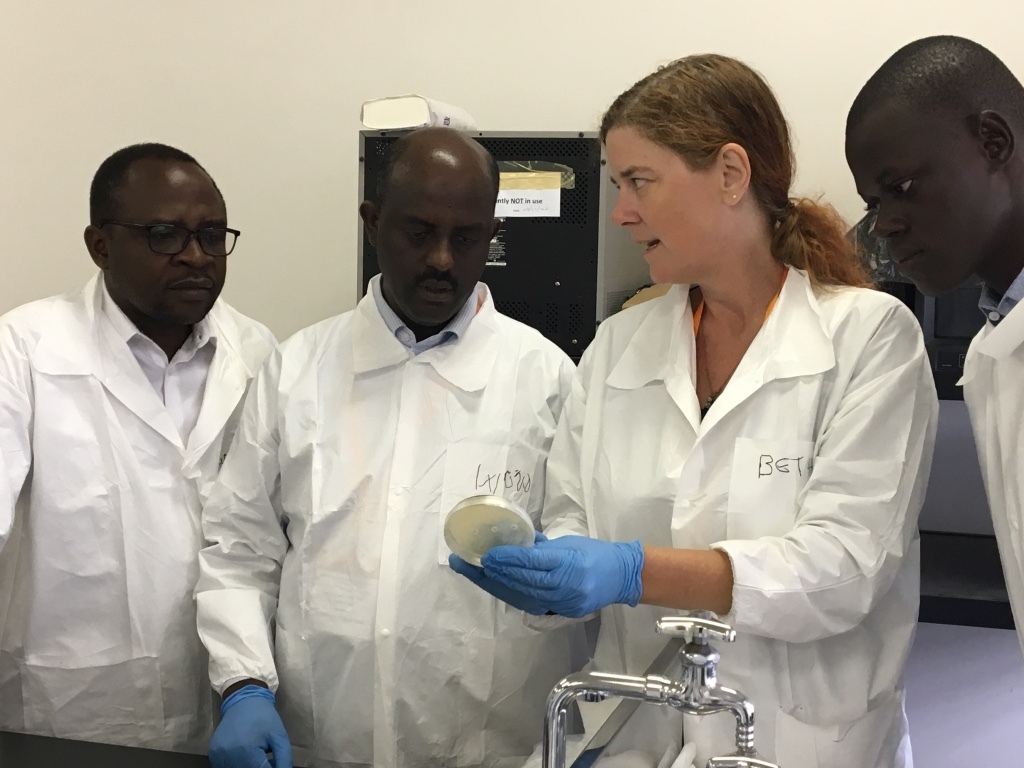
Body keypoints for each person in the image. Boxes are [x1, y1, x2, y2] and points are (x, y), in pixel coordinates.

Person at [451, 55, 939, 768]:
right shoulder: (618, 346)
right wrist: (542, 569)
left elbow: (844, 568)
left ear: (731, 174)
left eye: (639, 181)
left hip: (799, 742)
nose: (620, 211)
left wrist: (631, 570)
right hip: (634, 734)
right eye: (619, 186)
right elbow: (571, 515)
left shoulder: (869, 338)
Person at [196, 127, 580, 768]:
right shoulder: (297, 370)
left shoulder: (546, 380)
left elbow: (575, 567)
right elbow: (240, 549)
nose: (440, 259)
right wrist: (242, 687)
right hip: (320, 740)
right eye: (418, 231)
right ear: (373, 223)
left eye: (466, 238)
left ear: (491, 236)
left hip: (493, 748)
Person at [0, 143, 276, 751]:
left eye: (210, 234)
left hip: (219, 702)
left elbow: (263, 539)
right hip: (68, 713)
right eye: (164, 235)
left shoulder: (259, 355)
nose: (196, 257)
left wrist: (251, 684)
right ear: (100, 245)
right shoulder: (26, 348)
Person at [846, 35, 1024, 661]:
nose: (885, 223)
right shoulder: (993, 352)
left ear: (993, 143)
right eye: (875, 202)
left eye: (901, 187)